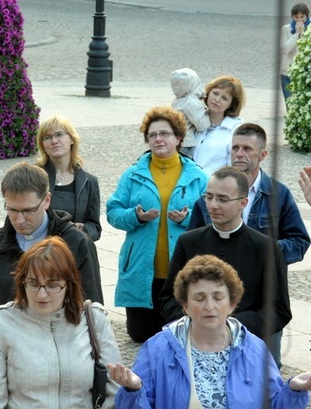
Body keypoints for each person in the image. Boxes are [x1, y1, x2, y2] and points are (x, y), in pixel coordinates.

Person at [110, 254, 311, 409]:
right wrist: (133, 390)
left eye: (217, 297)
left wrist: (294, 389)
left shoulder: (255, 351)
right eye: (199, 298)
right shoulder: (158, 349)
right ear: (185, 305)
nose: (209, 306)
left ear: (232, 304)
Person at [0, 236, 126, 409]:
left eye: (53, 285)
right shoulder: (0, 324)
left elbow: (115, 397)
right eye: (33, 284)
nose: (42, 294)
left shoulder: (94, 321)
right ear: (21, 281)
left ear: (68, 285)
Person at [0, 162, 103, 347]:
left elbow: (92, 312)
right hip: (5, 354)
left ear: (46, 200)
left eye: (28, 210)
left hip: (62, 353)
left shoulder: (77, 244)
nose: (19, 220)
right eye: (12, 210)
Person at [160, 166, 291, 366]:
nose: (212, 205)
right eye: (208, 197)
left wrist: (226, 325)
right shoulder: (188, 242)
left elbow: (278, 310)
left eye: (222, 199)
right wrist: (197, 321)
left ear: (243, 203)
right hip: (193, 346)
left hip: (246, 350)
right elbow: (168, 298)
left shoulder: (265, 248)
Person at [106, 106, 207, 343]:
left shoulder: (199, 177)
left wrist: (187, 218)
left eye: (165, 134)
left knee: (178, 336)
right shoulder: (132, 174)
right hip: (142, 270)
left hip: (181, 270)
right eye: (152, 135)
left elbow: (212, 218)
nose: (158, 139)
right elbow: (113, 212)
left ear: (179, 138)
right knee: (140, 335)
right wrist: (136, 216)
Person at [189, 123, 310, 266]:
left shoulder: (278, 194)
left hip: (263, 283)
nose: (239, 154)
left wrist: (259, 251)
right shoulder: (213, 192)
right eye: (235, 148)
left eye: (247, 149)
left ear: (262, 155)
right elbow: (192, 243)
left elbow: (299, 242)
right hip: (219, 281)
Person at [36, 115, 102, 241]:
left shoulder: (89, 182)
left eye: (59, 134)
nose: (54, 141)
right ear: (43, 145)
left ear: (72, 139)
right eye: (47, 137)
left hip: (73, 252)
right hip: (39, 250)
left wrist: (82, 229)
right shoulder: (34, 176)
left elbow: (95, 228)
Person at [192, 75, 245, 176]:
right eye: (215, 93)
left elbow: (233, 169)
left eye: (224, 98)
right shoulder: (194, 118)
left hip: (213, 188)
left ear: (231, 104)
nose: (217, 99)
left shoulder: (236, 130)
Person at [170, 68, 209, 158]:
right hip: (186, 144)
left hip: (176, 141)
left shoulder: (178, 101)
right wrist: (209, 112)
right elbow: (202, 125)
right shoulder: (191, 103)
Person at [281, 2, 309, 104]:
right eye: (296, 17)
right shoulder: (286, 29)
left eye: (302, 17)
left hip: (305, 74)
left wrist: (304, 34)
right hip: (287, 72)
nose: (299, 20)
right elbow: (285, 50)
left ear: (307, 16)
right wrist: (296, 34)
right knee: (290, 103)